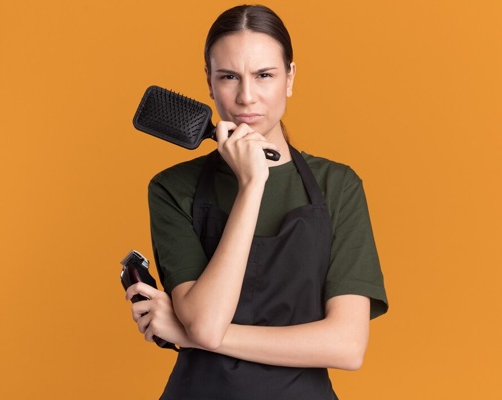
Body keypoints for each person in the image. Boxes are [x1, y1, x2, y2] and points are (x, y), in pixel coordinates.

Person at [126, 4, 388, 399]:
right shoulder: (172, 189)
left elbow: (347, 346)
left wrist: (191, 336)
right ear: (210, 83)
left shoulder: (338, 186)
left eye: (264, 75)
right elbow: (208, 321)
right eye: (229, 77)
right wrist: (251, 186)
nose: (246, 97)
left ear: (289, 78)